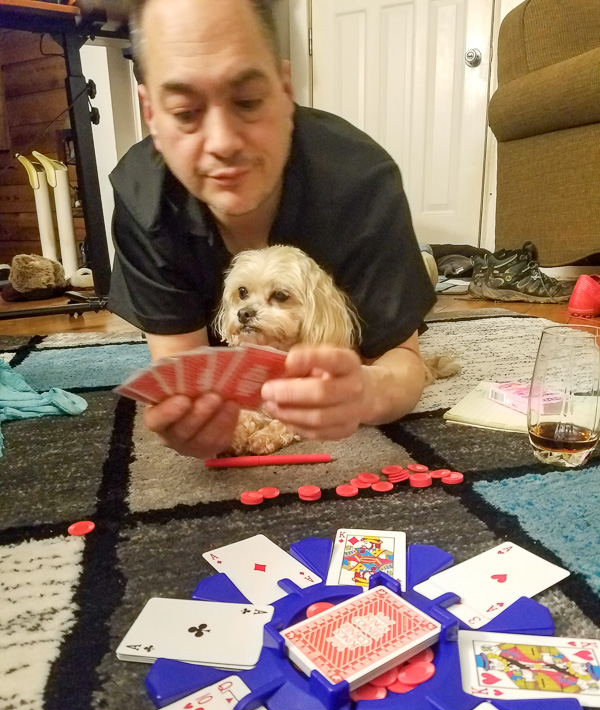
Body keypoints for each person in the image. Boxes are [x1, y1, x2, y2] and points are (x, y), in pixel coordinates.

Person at [107, 0, 436, 459]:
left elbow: (404, 364)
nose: (222, 143)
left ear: (285, 89)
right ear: (151, 114)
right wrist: (195, 421)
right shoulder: (142, 201)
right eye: (185, 112)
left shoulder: (363, 181)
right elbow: (181, 372)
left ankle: (417, 269)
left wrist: (365, 391)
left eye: (247, 102)